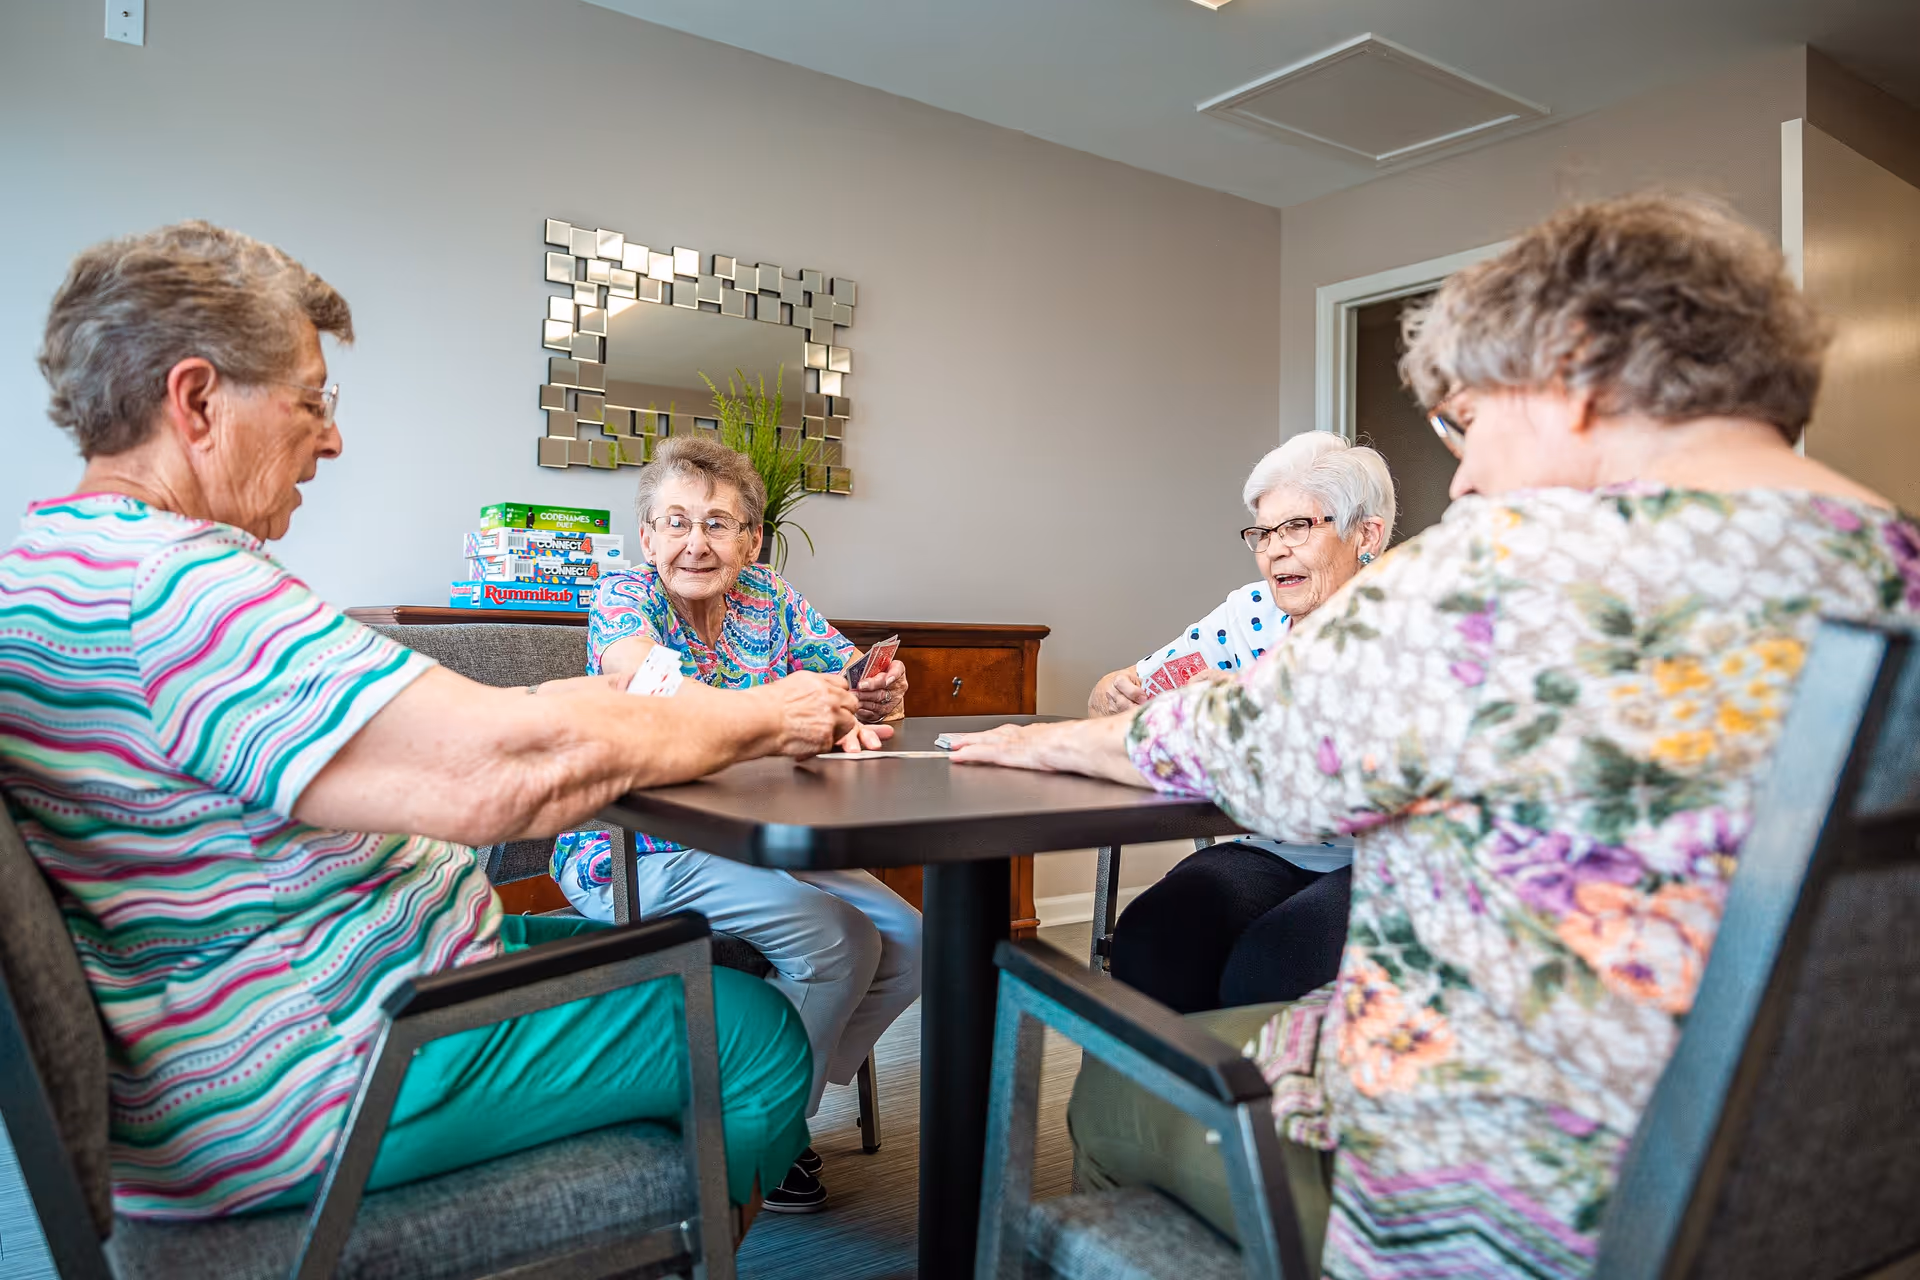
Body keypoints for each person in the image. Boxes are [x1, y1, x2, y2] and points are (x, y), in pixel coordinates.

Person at [947, 193, 1920, 1276]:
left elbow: (1234, 744)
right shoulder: (1894, 568)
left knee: (1114, 1082)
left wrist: (1042, 739)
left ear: (1577, 363)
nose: (1460, 477)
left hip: (1487, 1202)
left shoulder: (1506, 567)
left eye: (1467, 422)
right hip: (1799, 1191)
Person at [0, 222, 850, 1226]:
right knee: (754, 1036)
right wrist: (767, 712)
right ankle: (625, 1227)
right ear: (196, 401)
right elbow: (506, 776)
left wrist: (558, 707)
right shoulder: (179, 588)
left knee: (703, 949)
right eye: (312, 399)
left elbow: (471, 727)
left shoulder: (59, 561)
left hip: (273, 1012)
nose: (333, 435)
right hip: (322, 1064)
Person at [556, 435, 923, 1213]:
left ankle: (766, 1112)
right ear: (648, 535)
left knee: (919, 940)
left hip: (760, 836)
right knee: (841, 939)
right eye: (677, 521)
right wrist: (788, 704)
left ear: (751, 539)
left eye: (720, 524)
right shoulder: (624, 596)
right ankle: (770, 1132)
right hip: (635, 847)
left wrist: (874, 690)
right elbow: (647, 682)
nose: (697, 542)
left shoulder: (771, 595)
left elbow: (853, 674)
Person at [1088, 432, 1395, 1014]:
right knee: (1152, 938)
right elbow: (1126, 686)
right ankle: (1163, 1105)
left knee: (1271, 964)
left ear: (1367, 535)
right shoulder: (1250, 612)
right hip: (1274, 846)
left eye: (1298, 527)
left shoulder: (1405, 620)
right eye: (1262, 533)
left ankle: (1271, 1103)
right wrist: (1113, 695)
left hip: (1387, 858)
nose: (1274, 551)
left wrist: (1243, 709)